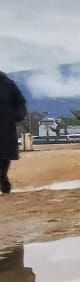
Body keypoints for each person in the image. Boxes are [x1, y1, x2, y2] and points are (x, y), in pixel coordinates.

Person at [0, 67, 24, 195]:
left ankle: (3, 176)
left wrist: (18, 115)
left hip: (5, 124)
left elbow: (20, 101)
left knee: (5, 155)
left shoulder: (6, 83)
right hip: (6, 123)